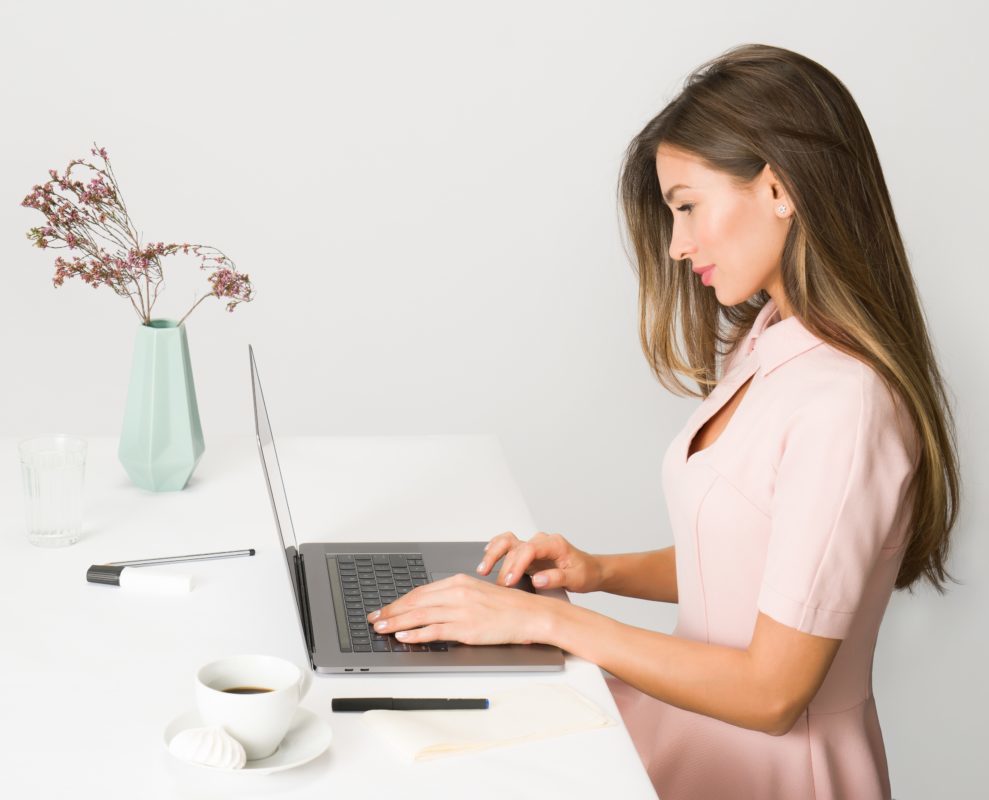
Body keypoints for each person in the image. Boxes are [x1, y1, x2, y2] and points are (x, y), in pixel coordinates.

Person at [366, 43, 960, 800]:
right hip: (688, 734)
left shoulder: (845, 405)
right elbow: (753, 562)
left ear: (778, 188)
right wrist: (594, 570)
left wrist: (550, 624)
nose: (677, 246)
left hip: (776, 772)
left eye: (686, 206)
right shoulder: (768, 343)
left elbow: (772, 695)